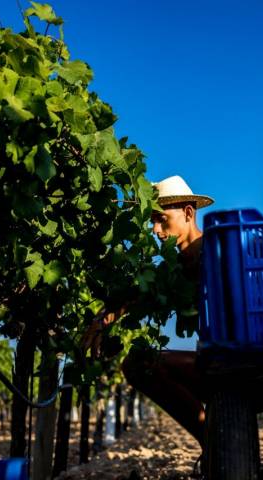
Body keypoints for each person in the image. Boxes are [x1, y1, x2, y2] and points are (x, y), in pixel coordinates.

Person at [83, 175, 213, 448]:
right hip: (217, 367)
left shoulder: (220, 252)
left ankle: (213, 441)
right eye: (151, 221)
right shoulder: (174, 267)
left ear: (188, 213)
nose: (155, 229)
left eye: (161, 219)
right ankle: (212, 441)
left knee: (139, 365)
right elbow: (142, 293)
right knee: (139, 362)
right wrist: (103, 318)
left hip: (245, 371)